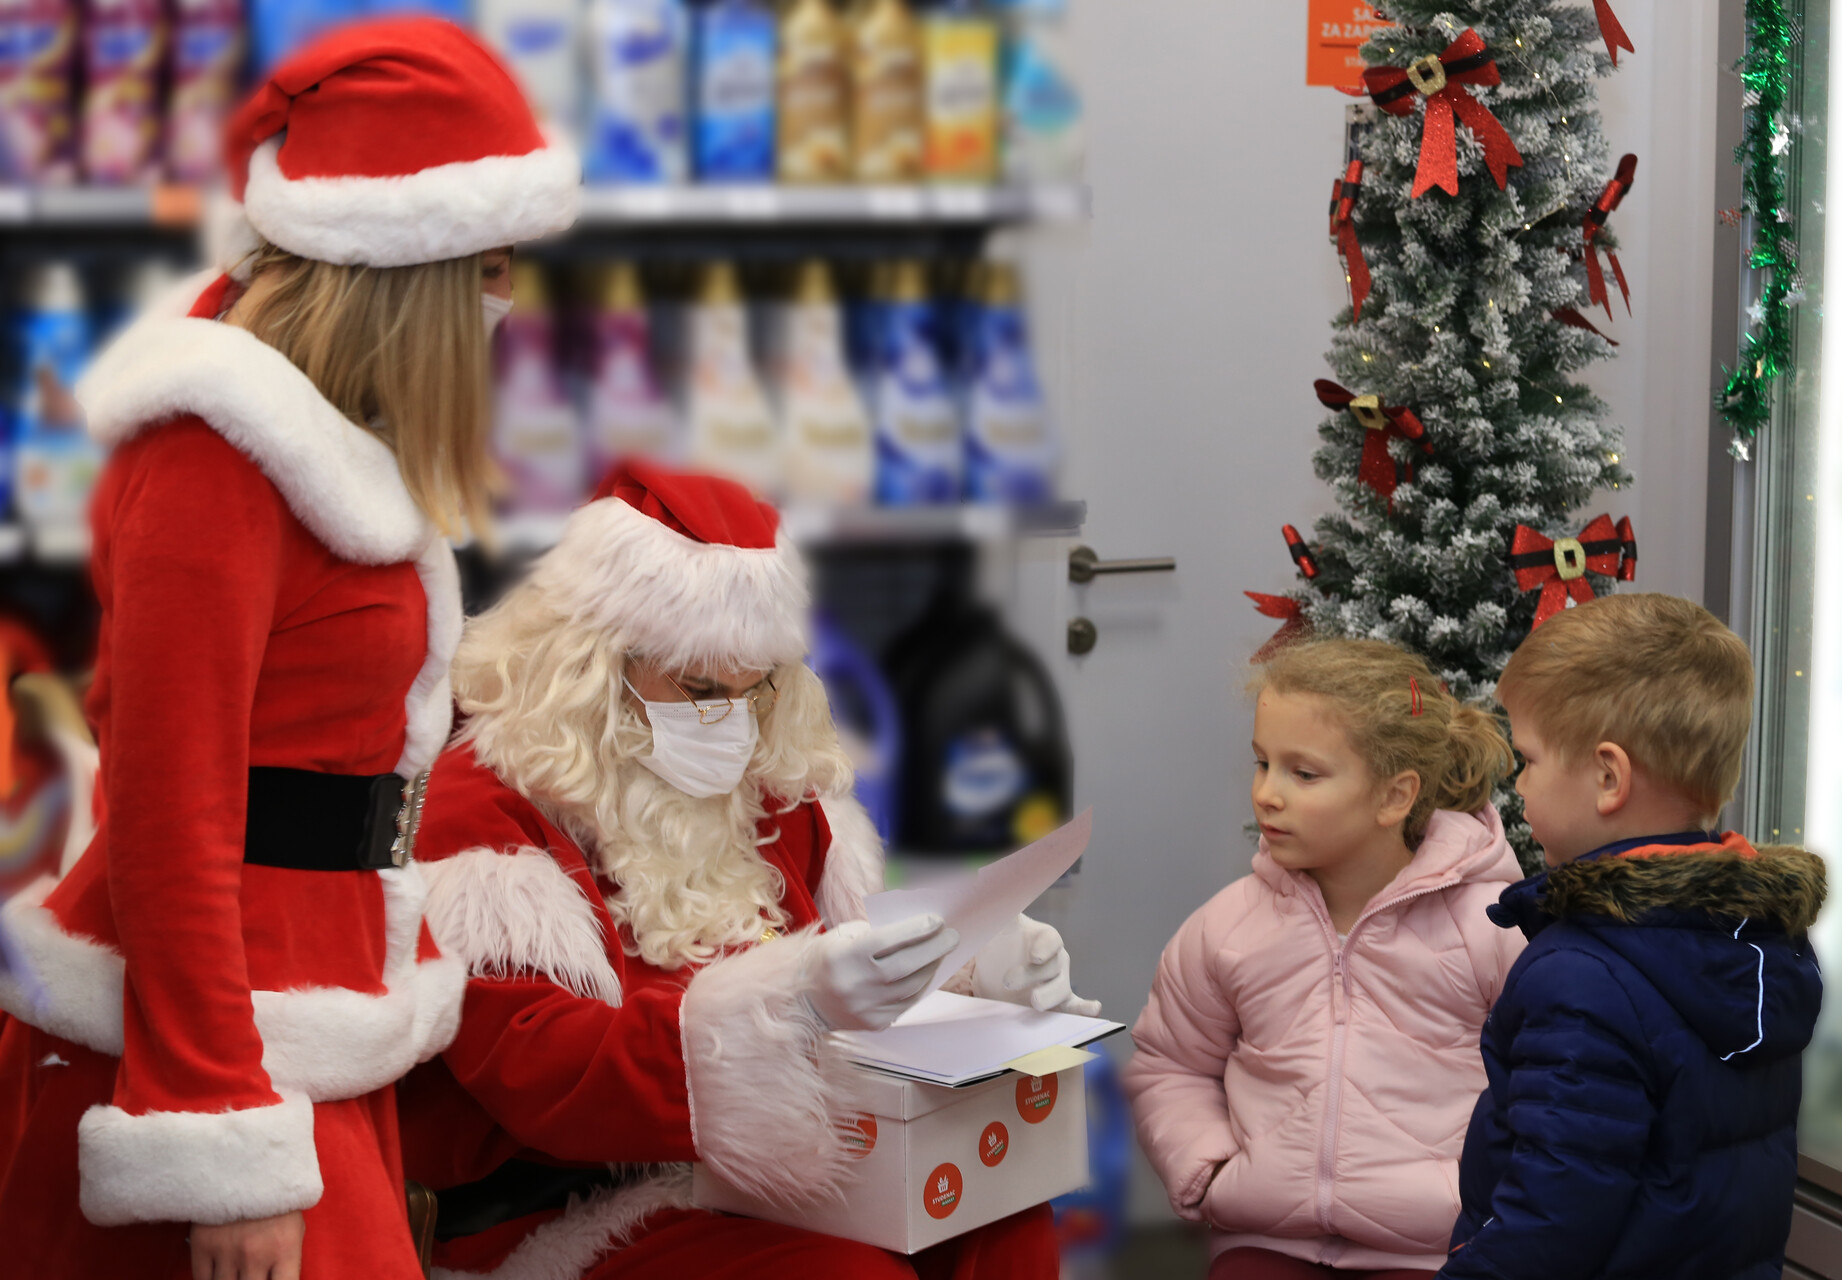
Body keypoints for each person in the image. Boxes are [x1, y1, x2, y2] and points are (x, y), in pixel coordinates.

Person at [0, 18, 579, 1279]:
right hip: (216, 1047)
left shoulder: (316, 440)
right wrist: (218, 1126)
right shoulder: (215, 458)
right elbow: (169, 806)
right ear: (408, 267)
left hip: (304, 1008)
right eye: (491, 266)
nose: (507, 303)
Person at [399, 459, 1095, 1280]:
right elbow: (541, 1072)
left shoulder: (769, 784)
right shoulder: (484, 811)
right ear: (591, 662)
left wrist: (972, 971)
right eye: (699, 686)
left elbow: (855, 963)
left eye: (754, 688)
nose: (727, 721)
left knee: (1003, 1222)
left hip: (788, 1159)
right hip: (577, 1205)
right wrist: (788, 1005)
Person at [1438, 593, 1826, 1280]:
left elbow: (1549, 1220)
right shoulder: (1756, 942)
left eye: (1528, 760)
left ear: (1608, 777)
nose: (1518, 787)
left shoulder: (1582, 976)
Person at [1125, 638, 1526, 1280]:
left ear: (1394, 797)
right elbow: (1171, 1065)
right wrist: (1208, 1167)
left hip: (1440, 1250)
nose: (1267, 794)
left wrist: (1500, 1204)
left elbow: (1548, 1082)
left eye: (1303, 774)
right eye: (1262, 764)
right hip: (1267, 1241)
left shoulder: (1493, 927)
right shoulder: (1228, 927)